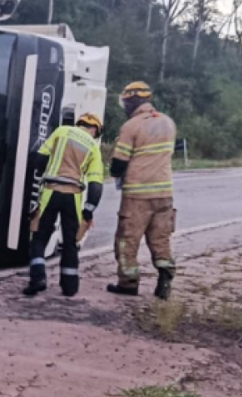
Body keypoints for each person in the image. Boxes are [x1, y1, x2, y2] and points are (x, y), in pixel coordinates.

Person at [107, 81, 177, 300]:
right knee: (160, 238)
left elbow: (119, 163)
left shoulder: (132, 126)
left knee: (127, 239)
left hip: (138, 194)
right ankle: (165, 277)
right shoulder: (167, 123)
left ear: (132, 101)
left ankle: (128, 283)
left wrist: (115, 173)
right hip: (164, 193)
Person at [24, 112, 105, 298]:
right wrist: (89, 210)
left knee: (38, 236)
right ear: (94, 130)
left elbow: (39, 160)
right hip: (73, 197)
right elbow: (96, 185)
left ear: (80, 124)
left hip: (50, 192)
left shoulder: (61, 131)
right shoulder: (93, 147)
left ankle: (38, 279)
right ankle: (69, 287)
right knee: (70, 242)